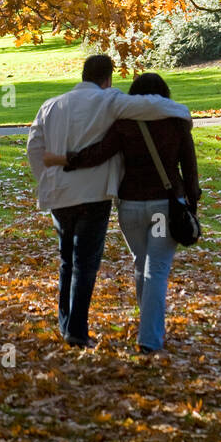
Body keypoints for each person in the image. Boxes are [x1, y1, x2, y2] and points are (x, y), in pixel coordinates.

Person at [26, 54, 192, 349]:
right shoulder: (111, 102)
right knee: (90, 264)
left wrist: (48, 177)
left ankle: (69, 325)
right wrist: (183, 112)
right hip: (102, 195)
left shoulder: (52, 106)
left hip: (70, 196)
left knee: (69, 262)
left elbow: (36, 147)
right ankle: (97, 332)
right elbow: (152, 106)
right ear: (108, 79)